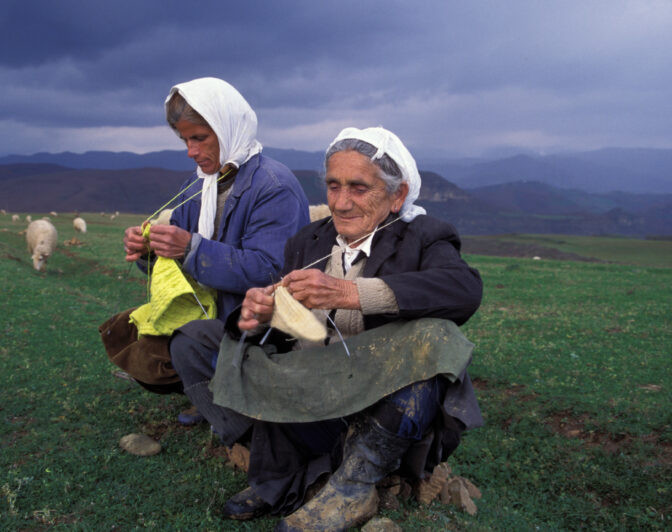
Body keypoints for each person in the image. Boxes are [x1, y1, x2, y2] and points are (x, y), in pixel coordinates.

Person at [171, 126, 484, 530]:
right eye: (334, 186)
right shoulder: (309, 240)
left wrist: (350, 293)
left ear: (398, 196)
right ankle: (269, 454)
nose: (340, 202)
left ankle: (355, 483)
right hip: (313, 396)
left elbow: (464, 289)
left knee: (436, 339)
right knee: (193, 341)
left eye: (358, 188)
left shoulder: (424, 237)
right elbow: (291, 331)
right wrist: (260, 319)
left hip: (378, 409)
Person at [121, 77, 310, 421]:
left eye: (200, 138)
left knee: (188, 340)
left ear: (228, 128)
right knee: (128, 332)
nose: (192, 151)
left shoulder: (273, 186)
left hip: (262, 325)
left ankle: (238, 418)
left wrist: (191, 248)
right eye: (185, 140)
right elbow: (175, 260)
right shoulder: (198, 185)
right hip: (211, 314)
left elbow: (271, 270)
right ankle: (211, 392)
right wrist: (150, 250)